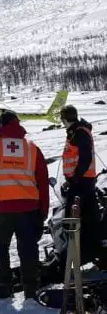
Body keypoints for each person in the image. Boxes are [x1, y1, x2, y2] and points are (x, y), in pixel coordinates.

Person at [0, 110, 49, 300]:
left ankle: (3, 286)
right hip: (29, 209)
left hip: (0, 210)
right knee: (28, 248)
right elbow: (43, 181)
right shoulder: (32, 148)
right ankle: (31, 289)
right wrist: (43, 211)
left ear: (1, 126)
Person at [60, 104, 99, 265]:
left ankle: (76, 253)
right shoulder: (76, 132)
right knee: (81, 216)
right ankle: (78, 251)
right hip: (78, 181)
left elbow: (85, 158)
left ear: (64, 119)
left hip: (82, 182)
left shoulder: (80, 133)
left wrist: (75, 177)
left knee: (75, 217)